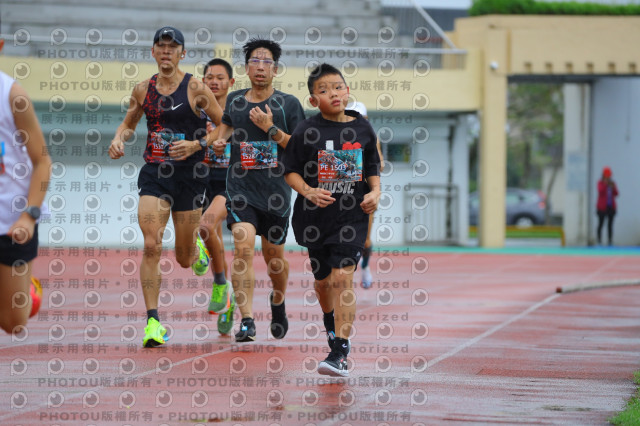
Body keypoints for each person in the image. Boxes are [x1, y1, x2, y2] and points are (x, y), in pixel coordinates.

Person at [108, 27, 223, 347]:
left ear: (182, 53)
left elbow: (223, 124)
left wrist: (196, 144)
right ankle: (153, 322)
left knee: (184, 259)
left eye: (173, 47)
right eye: (161, 46)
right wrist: (118, 139)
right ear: (153, 51)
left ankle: (195, 249)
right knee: (151, 244)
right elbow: (129, 123)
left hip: (190, 175)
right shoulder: (143, 89)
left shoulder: (196, 88)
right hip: (155, 173)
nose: (167, 51)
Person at [282, 63, 381, 377]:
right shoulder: (306, 130)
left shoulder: (363, 128)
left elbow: (373, 168)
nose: (334, 94)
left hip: (352, 217)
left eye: (338, 87)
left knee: (342, 278)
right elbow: (290, 171)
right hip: (315, 220)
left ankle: (340, 351)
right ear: (314, 99)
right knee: (324, 282)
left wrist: (376, 192)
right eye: (324, 90)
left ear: (347, 91)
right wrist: (309, 191)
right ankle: (330, 323)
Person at [211, 37, 305, 342]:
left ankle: (278, 299)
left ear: (275, 69)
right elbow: (226, 126)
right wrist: (220, 140)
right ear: (246, 67)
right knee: (242, 247)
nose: (261, 67)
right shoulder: (235, 100)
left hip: (276, 193)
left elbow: (300, 147)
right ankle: (247, 320)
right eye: (255, 61)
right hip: (241, 189)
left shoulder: (288, 104)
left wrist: (270, 128)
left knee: (274, 260)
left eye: (267, 62)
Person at [0, 37, 51, 334]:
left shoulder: (12, 96)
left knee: (13, 322)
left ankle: (26, 289)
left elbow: (42, 162)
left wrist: (29, 216)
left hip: (12, 221)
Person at [200, 58, 236, 335]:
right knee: (208, 234)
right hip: (199, 178)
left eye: (220, 78)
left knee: (206, 224)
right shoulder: (195, 111)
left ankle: (222, 283)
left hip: (229, 181)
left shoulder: (239, 111)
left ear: (231, 82)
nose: (214, 82)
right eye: (209, 77)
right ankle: (227, 294)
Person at [346, 101, 384, 289]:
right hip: (342, 196)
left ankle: (366, 267)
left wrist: (360, 165)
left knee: (365, 240)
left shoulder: (371, 138)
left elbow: (380, 165)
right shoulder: (336, 135)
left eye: (361, 118)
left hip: (365, 196)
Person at [596, 166, 618, 246]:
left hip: (611, 207)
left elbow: (616, 193)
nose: (608, 177)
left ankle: (610, 240)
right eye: (606, 175)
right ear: (603, 175)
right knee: (601, 223)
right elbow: (600, 191)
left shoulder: (612, 183)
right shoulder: (600, 183)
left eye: (609, 175)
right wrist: (605, 184)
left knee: (610, 224)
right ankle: (599, 240)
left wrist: (613, 187)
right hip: (602, 208)